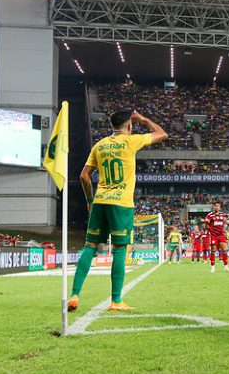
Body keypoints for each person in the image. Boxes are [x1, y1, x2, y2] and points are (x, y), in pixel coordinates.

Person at [67, 109, 167, 312]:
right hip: (121, 203)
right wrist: (145, 119)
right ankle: (116, 301)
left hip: (100, 201)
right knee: (120, 249)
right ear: (129, 126)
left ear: (111, 126)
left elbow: (84, 176)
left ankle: (74, 294)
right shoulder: (132, 141)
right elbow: (162, 134)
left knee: (90, 246)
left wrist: (89, 200)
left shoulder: (99, 145)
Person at [204, 202, 229, 273]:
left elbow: (227, 217)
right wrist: (211, 231)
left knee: (224, 249)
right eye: (215, 206)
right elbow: (206, 225)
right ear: (213, 207)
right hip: (214, 235)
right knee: (213, 250)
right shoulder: (210, 215)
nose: (217, 207)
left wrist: (224, 232)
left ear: (220, 207)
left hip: (221, 235)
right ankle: (213, 268)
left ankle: (226, 267)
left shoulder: (223, 215)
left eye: (218, 206)